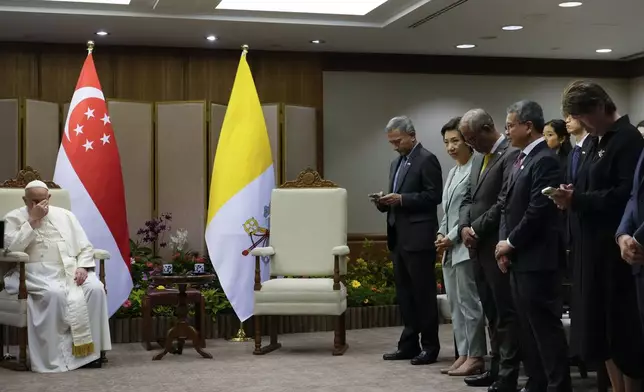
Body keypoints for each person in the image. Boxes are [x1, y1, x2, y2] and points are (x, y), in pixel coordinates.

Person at [551, 80, 644, 392]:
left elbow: (624, 195)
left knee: (621, 330)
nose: (584, 125)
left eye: (585, 117)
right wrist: (570, 194)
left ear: (601, 108)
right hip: (587, 248)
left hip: (614, 250)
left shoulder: (627, 139)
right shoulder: (593, 141)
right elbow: (584, 185)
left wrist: (578, 200)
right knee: (598, 332)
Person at [496, 100, 571, 392]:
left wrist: (511, 242)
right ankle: (537, 382)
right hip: (518, 257)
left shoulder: (545, 159)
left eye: (510, 125)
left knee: (545, 329)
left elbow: (539, 210)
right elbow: (506, 205)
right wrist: (505, 244)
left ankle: (557, 386)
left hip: (538, 259)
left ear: (528, 127)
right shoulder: (519, 158)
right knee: (526, 328)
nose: (507, 130)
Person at [2, 180, 111, 373]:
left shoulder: (66, 216)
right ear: (24, 199)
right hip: (34, 272)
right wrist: (32, 222)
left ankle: (91, 354)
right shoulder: (13, 217)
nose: (38, 205)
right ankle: (54, 357)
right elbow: (11, 249)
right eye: (33, 201)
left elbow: (85, 246)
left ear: (49, 198)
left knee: (95, 289)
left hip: (69, 269)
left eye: (42, 200)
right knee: (54, 294)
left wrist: (83, 266)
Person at [458, 109, 521, 392]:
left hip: (495, 244)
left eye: (472, 138)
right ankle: (494, 369)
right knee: (490, 313)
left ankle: (507, 375)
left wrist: (478, 228)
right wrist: (463, 227)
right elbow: (468, 198)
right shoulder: (477, 159)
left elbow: (503, 202)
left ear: (487, 128)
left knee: (505, 314)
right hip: (476, 247)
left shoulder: (509, 154)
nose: (470, 144)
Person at [373, 115, 443, 365]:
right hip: (398, 237)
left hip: (419, 237)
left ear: (412, 136)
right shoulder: (396, 163)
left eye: (398, 140)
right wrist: (383, 202)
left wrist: (402, 199)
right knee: (405, 295)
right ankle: (409, 344)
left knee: (423, 295)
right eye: (391, 142)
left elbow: (434, 196)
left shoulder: (427, 159)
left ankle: (430, 347)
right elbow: (396, 199)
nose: (394, 145)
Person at [436, 116, 487, 376]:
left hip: (465, 245)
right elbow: (448, 210)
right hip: (449, 247)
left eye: (455, 141)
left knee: (470, 304)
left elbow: (472, 210)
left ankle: (477, 355)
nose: (451, 147)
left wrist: (452, 236)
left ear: (467, 141)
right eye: (446, 142)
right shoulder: (454, 171)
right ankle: (464, 353)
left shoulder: (475, 168)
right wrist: (441, 233)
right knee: (455, 305)